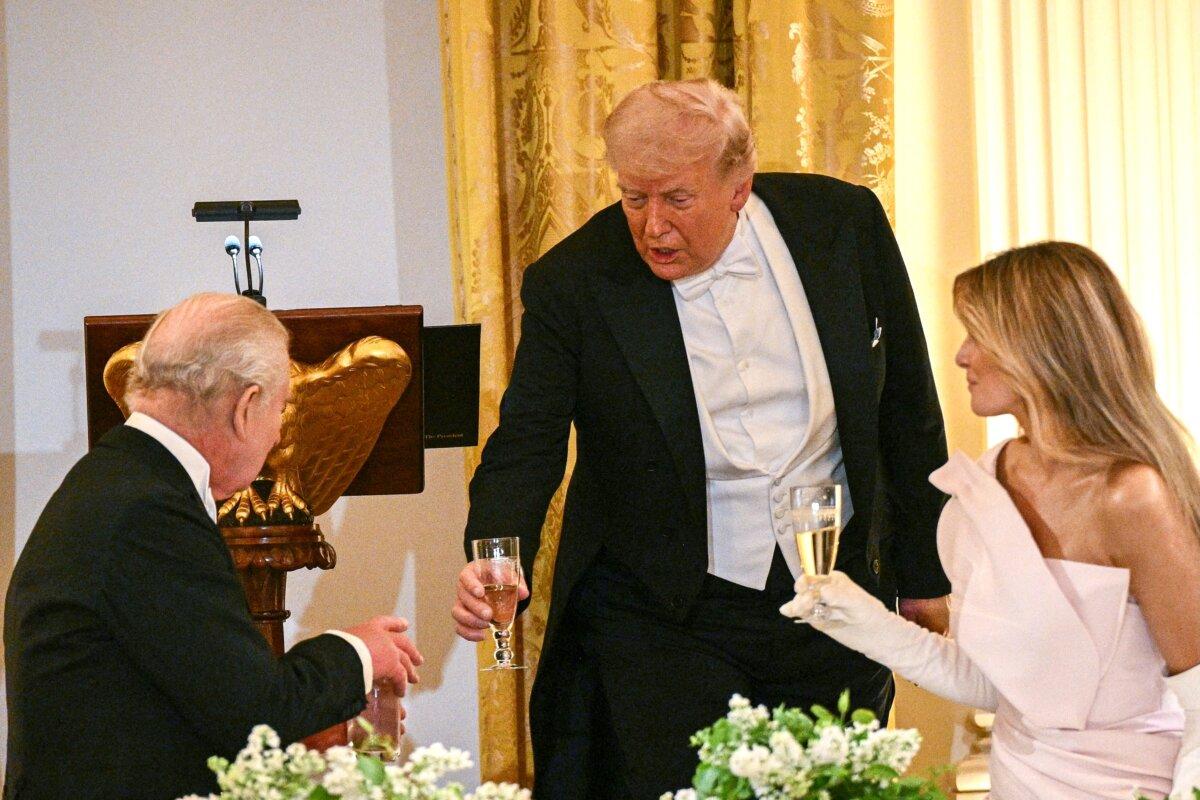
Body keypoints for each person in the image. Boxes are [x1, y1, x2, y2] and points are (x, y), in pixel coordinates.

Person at [451, 78, 951, 799]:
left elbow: (907, 403)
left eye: (677, 199)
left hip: (835, 597)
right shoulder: (575, 281)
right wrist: (494, 554)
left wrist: (925, 573)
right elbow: (526, 440)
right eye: (633, 197)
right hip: (666, 612)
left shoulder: (842, 224)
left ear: (739, 187)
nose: (653, 227)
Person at [782, 241, 1200, 799]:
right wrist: (854, 616)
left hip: (1134, 785)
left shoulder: (1132, 496)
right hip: (1017, 783)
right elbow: (994, 682)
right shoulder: (988, 481)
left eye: (979, 334)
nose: (961, 356)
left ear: (1040, 346)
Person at [4, 293, 425, 800]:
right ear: (247, 408)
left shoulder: (120, 480)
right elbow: (256, 713)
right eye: (282, 407)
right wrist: (361, 651)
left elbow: (197, 696)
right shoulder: (147, 510)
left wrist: (318, 725)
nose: (275, 435)